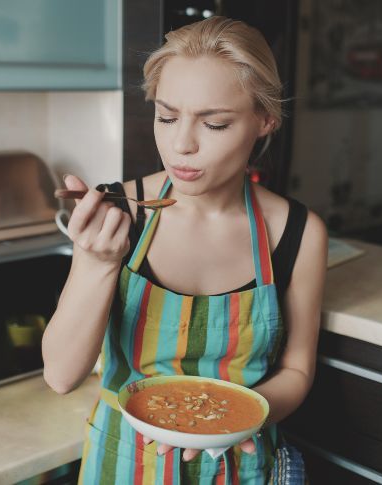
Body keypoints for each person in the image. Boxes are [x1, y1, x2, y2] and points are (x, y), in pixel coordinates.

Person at [42, 16, 327, 484]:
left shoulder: (297, 232)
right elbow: (60, 375)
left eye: (214, 124)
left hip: (241, 465)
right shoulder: (121, 213)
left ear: (264, 120)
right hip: (124, 463)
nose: (180, 145)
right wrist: (97, 263)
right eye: (167, 117)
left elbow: (297, 369)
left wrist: (235, 422)